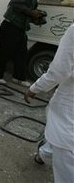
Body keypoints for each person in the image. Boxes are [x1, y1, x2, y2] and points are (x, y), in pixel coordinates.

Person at [25, 24, 74, 183]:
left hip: (70, 104)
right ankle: (44, 154)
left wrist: (34, 88)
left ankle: (45, 153)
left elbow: (59, 71)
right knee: (58, 138)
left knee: (65, 145)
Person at [0, 0, 58, 86]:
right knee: (5, 52)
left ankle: (18, 78)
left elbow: (24, 11)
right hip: (10, 26)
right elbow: (15, 4)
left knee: (21, 54)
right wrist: (32, 12)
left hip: (20, 28)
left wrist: (35, 18)